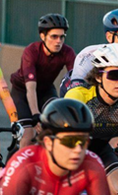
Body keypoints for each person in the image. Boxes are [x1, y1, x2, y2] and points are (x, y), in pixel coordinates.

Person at [64, 44, 118, 195]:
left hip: (100, 149)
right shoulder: (78, 97)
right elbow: (62, 146)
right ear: (98, 76)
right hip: (69, 152)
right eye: (114, 75)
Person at [9, 14, 75, 147]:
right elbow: (31, 88)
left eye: (62, 37)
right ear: (43, 36)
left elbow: (76, 82)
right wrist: (36, 115)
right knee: (28, 136)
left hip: (46, 90)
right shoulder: (31, 52)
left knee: (57, 121)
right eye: (54, 36)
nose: (58, 41)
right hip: (22, 90)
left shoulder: (67, 52)